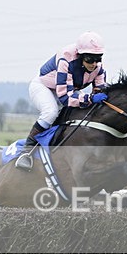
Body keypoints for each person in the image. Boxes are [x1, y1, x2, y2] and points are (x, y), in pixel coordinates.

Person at [16, 31, 110, 170]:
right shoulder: (66, 59)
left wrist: (100, 95)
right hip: (44, 87)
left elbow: (99, 91)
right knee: (51, 112)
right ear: (81, 55)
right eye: (90, 59)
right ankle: (26, 152)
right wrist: (89, 98)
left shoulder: (99, 69)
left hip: (68, 90)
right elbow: (65, 98)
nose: (94, 64)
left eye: (98, 59)